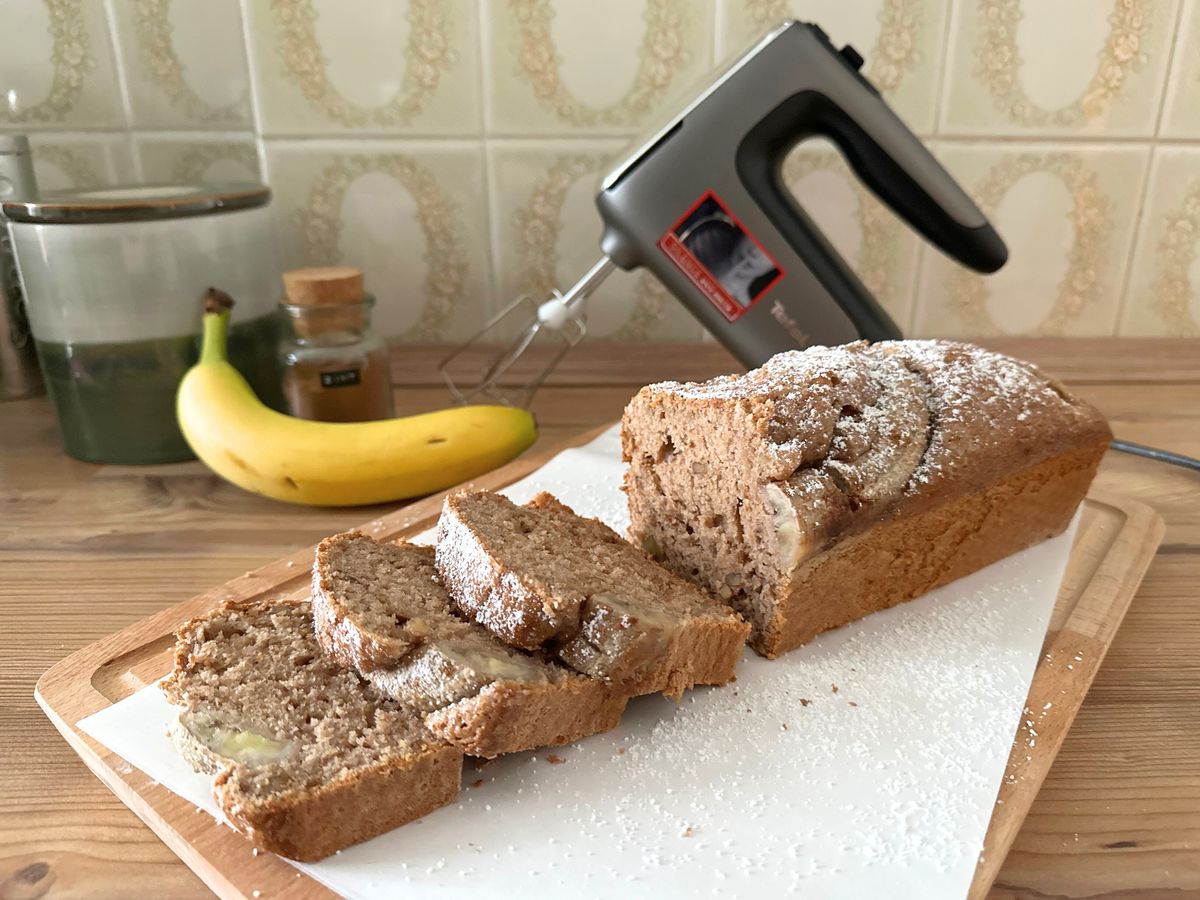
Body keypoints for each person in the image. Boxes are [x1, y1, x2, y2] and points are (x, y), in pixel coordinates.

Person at [679, 208, 780, 307]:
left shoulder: (742, 309)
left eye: (771, 251)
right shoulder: (704, 236)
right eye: (759, 237)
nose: (755, 251)